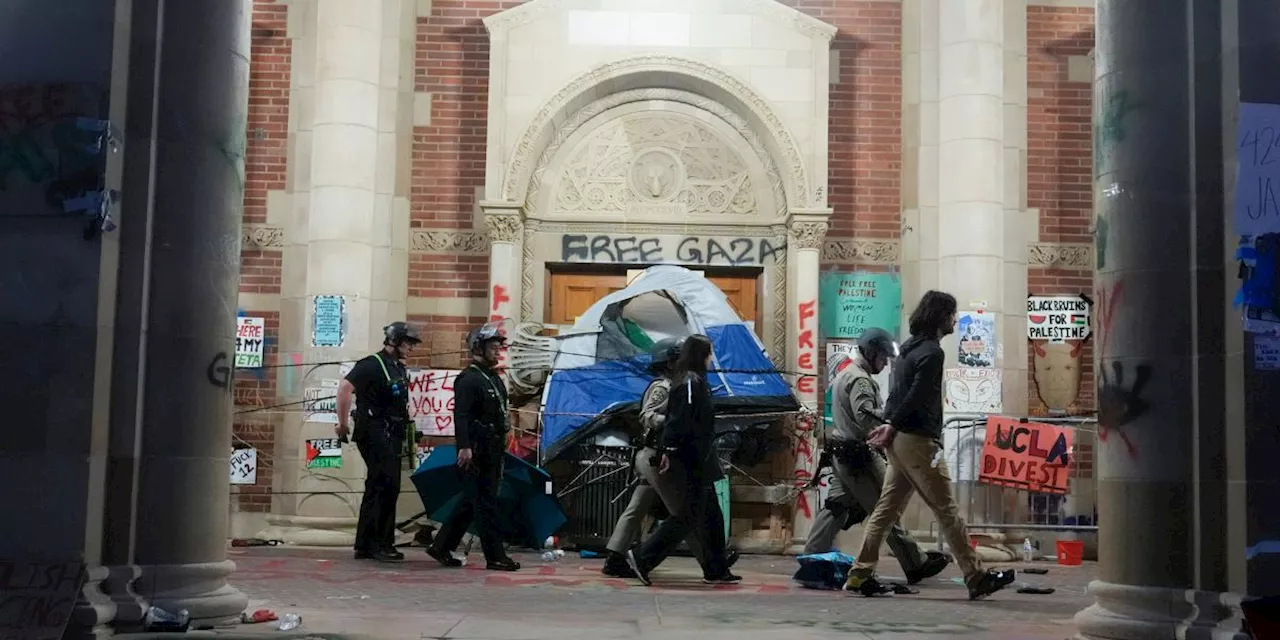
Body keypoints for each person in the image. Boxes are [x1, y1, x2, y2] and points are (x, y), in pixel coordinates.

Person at [844, 291, 1015, 599]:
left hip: (900, 442)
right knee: (947, 509)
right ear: (940, 317)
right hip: (920, 442)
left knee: (885, 510)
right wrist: (892, 425)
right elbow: (917, 396)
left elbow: (898, 395)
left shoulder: (908, 349)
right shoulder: (933, 353)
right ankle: (976, 576)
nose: (954, 319)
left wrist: (889, 426)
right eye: (952, 314)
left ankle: (860, 572)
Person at [803, 327, 951, 585]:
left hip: (841, 451)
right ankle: (915, 562)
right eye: (882, 358)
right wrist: (891, 427)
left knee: (836, 506)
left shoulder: (844, 374)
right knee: (885, 508)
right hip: (859, 456)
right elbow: (866, 417)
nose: (884, 364)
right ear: (870, 353)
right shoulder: (860, 380)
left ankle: (811, 557)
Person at [601, 338, 740, 578]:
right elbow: (649, 416)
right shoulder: (667, 386)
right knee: (685, 513)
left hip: (660, 455)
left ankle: (616, 556)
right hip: (658, 456)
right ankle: (708, 563)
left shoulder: (684, 383)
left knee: (640, 507)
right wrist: (680, 424)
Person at [425, 322, 520, 572]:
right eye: (493, 345)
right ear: (478, 347)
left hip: (494, 446)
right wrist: (464, 447)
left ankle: (441, 546)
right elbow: (462, 415)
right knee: (486, 503)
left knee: (472, 501)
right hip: (477, 448)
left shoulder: (493, 378)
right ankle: (495, 556)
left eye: (499, 346)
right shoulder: (469, 379)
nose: (498, 350)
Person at [336, 321, 421, 563]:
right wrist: (342, 424)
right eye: (407, 343)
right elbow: (344, 388)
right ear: (394, 341)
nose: (410, 348)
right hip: (373, 430)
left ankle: (366, 544)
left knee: (379, 485)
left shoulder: (396, 367)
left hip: (391, 432)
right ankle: (381, 544)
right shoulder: (372, 364)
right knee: (386, 484)